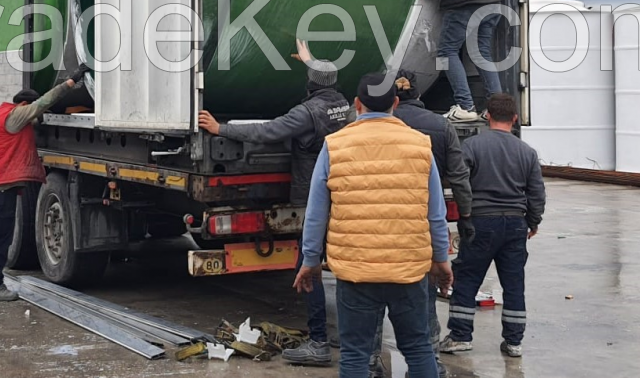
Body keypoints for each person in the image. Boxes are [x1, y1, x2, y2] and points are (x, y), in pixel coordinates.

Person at [294, 73, 453, 378]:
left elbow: (316, 213)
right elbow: (436, 213)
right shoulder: (420, 145)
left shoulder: (335, 145)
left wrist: (310, 261)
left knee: (355, 354)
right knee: (419, 348)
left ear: (357, 104)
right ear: (395, 103)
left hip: (356, 271)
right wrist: (441, 260)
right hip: (408, 269)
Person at [199, 55, 351, 367]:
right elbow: (322, 81)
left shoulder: (306, 112)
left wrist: (220, 128)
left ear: (310, 84)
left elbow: (268, 131)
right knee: (345, 265)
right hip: (343, 193)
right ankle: (348, 332)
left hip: (315, 198)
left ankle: (319, 341)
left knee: (307, 266)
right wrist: (311, 61)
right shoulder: (343, 105)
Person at [367, 69, 474, 378]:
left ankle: (371, 360)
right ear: (418, 94)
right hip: (421, 223)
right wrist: (465, 216)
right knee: (422, 297)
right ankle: (430, 362)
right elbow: (459, 176)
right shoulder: (440, 126)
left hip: (378, 220)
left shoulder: (379, 127)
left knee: (371, 297)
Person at [440, 93, 546, 358]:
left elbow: (458, 181)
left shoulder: (473, 146)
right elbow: (536, 193)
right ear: (514, 118)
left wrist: (465, 215)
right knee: (513, 283)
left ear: (487, 116)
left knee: (467, 278)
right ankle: (514, 342)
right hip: (515, 224)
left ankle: (461, 336)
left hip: (480, 222)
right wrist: (533, 222)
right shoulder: (528, 153)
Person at [0, 64, 90, 302]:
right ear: (24, 106)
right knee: (1, 237)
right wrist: (71, 82)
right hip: (2, 183)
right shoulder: (17, 115)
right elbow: (44, 102)